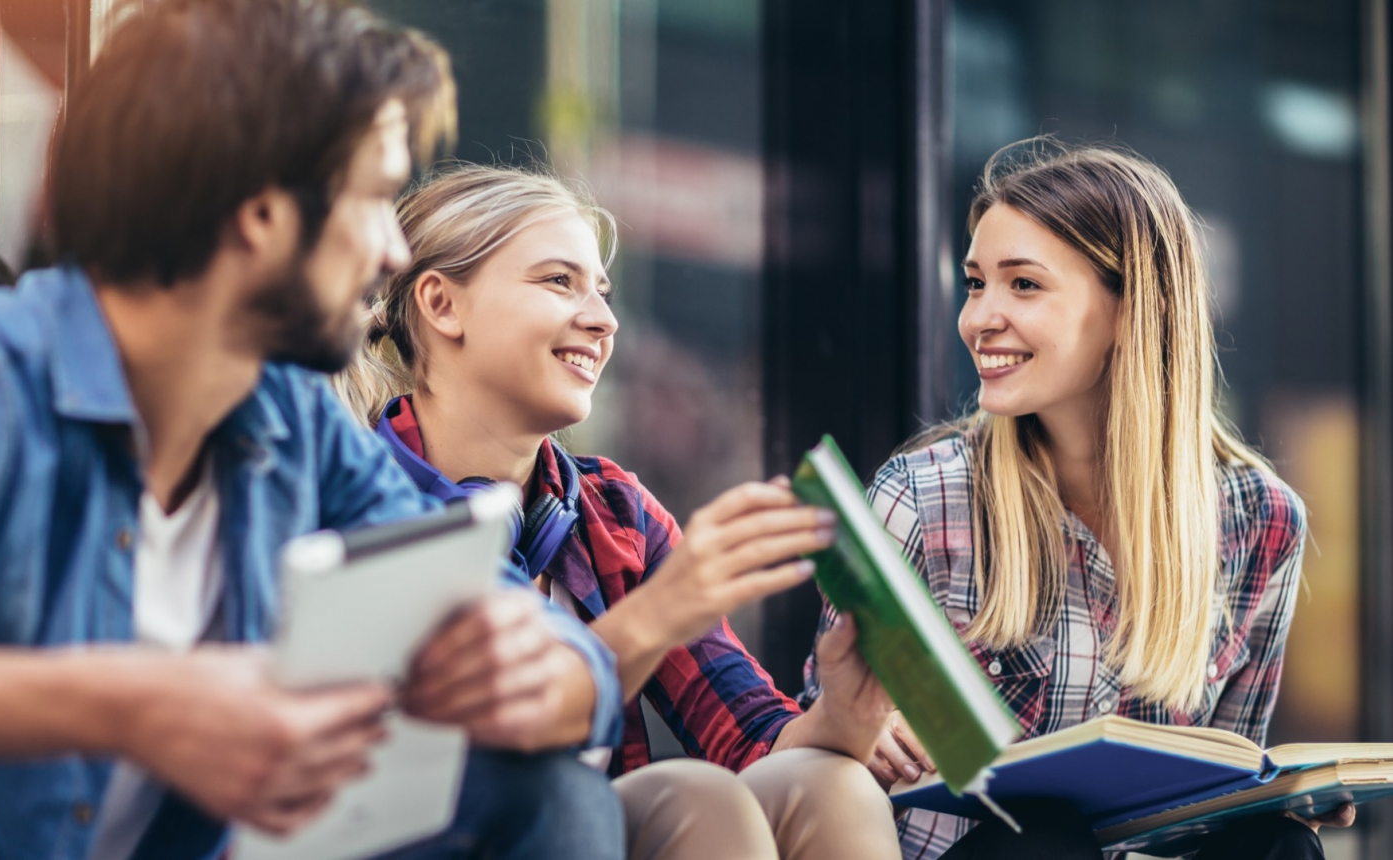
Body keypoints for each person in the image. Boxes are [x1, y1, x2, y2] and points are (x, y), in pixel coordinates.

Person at [0, 3, 626, 859]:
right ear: (264, 214)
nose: (394, 249)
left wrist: (556, 668)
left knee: (550, 796)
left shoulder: (289, 419)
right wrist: (138, 705)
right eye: (376, 198)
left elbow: (481, 593)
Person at [333, 163, 905, 860]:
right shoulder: (357, 495)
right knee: (698, 798)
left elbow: (749, 738)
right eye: (557, 281)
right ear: (442, 305)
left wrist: (846, 714)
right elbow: (490, 750)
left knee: (830, 783)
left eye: (602, 292)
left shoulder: (614, 511)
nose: (603, 321)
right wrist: (661, 610)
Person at [802, 139, 1352, 859]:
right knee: (1046, 841)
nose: (979, 319)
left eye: (1022, 285)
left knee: (1276, 843)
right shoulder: (921, 497)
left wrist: (1286, 799)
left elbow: (1225, 787)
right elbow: (821, 756)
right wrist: (859, 729)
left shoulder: (1260, 521)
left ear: (1132, 310)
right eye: (975, 283)